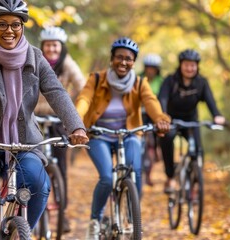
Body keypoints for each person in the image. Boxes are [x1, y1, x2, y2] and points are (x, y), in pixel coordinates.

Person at [0, 1, 89, 239]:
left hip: (24, 142)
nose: (9, 30)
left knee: (40, 187)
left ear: (22, 26)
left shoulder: (35, 57)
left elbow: (57, 92)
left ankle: (20, 234)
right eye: (2, 24)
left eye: (15, 24)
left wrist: (76, 126)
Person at [75, 37, 171, 239]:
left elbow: (151, 101)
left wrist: (161, 118)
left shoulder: (139, 82)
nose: (123, 62)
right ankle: (95, 221)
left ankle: (131, 217)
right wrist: (76, 122)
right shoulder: (97, 79)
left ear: (133, 62)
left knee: (135, 171)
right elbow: (84, 98)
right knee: (107, 178)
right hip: (99, 135)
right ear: (112, 59)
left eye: (128, 58)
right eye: (119, 57)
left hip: (129, 134)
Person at [34, 26, 86, 233]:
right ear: (43, 46)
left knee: (61, 165)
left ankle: (62, 215)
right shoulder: (35, 60)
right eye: (48, 45)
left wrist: (74, 110)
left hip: (57, 117)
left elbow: (82, 86)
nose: (52, 49)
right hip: (33, 116)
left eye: (55, 45)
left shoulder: (67, 63)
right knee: (30, 160)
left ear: (61, 47)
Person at [158, 49, 225, 194]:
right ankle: (170, 176)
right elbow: (162, 99)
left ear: (197, 66)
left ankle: (194, 186)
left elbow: (210, 101)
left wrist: (217, 115)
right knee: (167, 138)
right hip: (172, 119)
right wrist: (163, 118)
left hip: (191, 120)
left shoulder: (201, 82)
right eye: (186, 65)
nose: (190, 68)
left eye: (193, 65)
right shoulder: (170, 80)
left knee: (198, 152)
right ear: (181, 65)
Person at [140, 53, 163, 186]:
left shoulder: (161, 81)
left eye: (153, 68)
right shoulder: (139, 78)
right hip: (140, 114)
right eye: (148, 67)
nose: (150, 70)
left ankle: (149, 174)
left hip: (153, 116)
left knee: (153, 143)